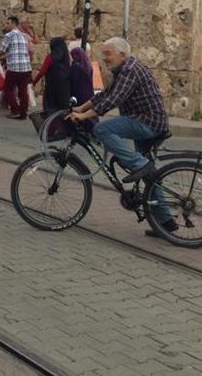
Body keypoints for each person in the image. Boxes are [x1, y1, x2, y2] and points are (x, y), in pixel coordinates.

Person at [69, 38, 175, 237]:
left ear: (122, 54)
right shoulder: (123, 70)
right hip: (148, 122)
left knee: (101, 130)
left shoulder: (130, 70)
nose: (104, 58)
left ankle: (138, 163)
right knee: (149, 175)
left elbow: (113, 101)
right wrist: (80, 108)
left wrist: (82, 117)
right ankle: (166, 223)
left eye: (108, 53)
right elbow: (105, 95)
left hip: (146, 122)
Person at [0, 16, 32, 120]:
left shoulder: (9, 35)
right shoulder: (24, 36)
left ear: (13, 24)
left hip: (14, 68)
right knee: (23, 92)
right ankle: (23, 113)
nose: (6, 25)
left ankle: (15, 110)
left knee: (7, 89)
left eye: (8, 23)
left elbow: (3, 50)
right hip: (26, 68)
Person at [32, 37, 72, 113]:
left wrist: (34, 82)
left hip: (51, 87)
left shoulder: (50, 57)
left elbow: (42, 71)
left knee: (50, 108)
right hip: (64, 88)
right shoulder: (65, 58)